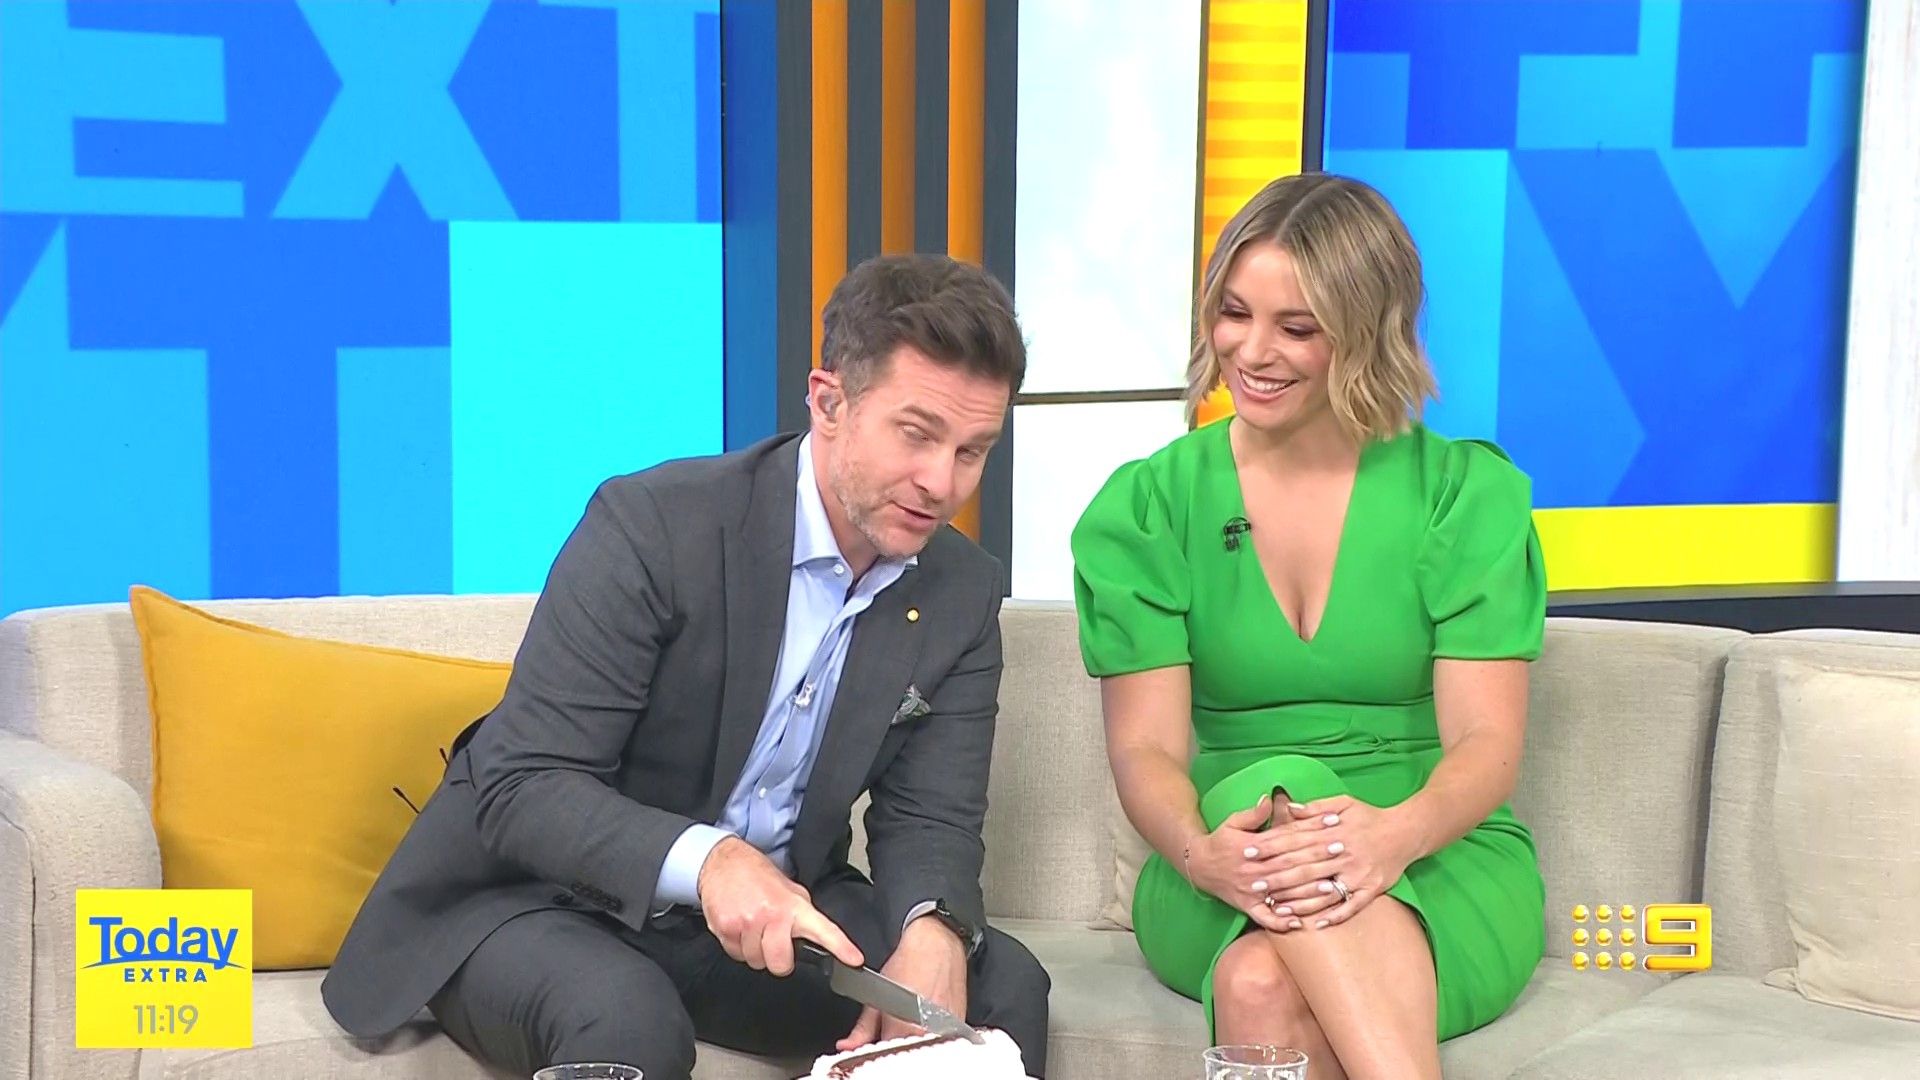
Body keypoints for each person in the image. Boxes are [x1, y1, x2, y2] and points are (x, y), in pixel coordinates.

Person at [322, 253, 1051, 1080]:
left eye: (972, 451)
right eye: (916, 435)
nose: (941, 483)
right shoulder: (655, 528)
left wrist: (933, 926)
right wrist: (710, 860)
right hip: (542, 899)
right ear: (829, 403)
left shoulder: (958, 591)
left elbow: (930, 817)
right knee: (628, 1021)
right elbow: (524, 783)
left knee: (1000, 984)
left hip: (765, 920)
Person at [1070, 173, 1547, 1080]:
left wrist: (1391, 838)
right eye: (1234, 313)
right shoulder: (1150, 506)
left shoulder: (1460, 495)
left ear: (1368, 331)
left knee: (1257, 984)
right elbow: (1145, 752)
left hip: (1435, 850)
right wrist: (1201, 856)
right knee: (1280, 790)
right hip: (1219, 861)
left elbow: (1488, 745)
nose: (1253, 351)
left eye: (1297, 328)